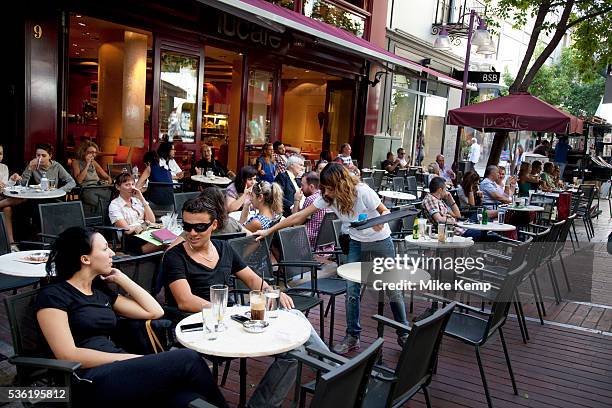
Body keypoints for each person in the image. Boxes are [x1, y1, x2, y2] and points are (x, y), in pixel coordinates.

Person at [163, 197, 329, 408]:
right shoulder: (175, 257)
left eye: (199, 227)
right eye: (187, 226)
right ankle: (335, 369)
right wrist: (230, 312)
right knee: (294, 337)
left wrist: (271, 291)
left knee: (295, 345)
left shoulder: (223, 248)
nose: (192, 233)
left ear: (213, 225)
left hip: (230, 319)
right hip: (200, 326)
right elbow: (185, 301)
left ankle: (264, 403)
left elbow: (251, 279)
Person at [36, 227, 227, 408]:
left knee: (187, 398)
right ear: (85, 259)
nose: (111, 253)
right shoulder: (54, 295)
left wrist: (121, 278)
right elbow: (67, 354)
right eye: (104, 249)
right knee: (188, 358)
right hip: (85, 380)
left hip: (118, 371)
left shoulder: (100, 293)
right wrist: (129, 359)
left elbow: (154, 311)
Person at [253, 163, 410, 354]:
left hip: (380, 241)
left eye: (330, 187)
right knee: (351, 289)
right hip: (355, 242)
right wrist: (269, 230)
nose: (327, 192)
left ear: (341, 183)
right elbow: (299, 216)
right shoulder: (327, 198)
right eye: (324, 188)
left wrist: (380, 221)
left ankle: (404, 333)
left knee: (391, 287)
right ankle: (353, 335)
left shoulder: (362, 191)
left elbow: (384, 211)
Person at [423, 177, 492, 241]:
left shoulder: (439, 200)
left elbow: (458, 215)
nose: (447, 191)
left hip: (459, 228)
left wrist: (451, 200)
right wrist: (452, 221)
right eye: (445, 189)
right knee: (488, 235)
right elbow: (439, 219)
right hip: (454, 231)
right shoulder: (430, 199)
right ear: (440, 190)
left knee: (485, 221)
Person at [109, 172, 158, 254]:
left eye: (132, 184)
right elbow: (127, 230)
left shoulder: (137, 200)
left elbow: (152, 220)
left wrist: (142, 198)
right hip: (130, 237)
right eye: (127, 185)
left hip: (145, 231)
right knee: (164, 242)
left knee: (168, 238)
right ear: (118, 187)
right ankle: (136, 253)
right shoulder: (114, 205)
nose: (131, 187)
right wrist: (144, 225)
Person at [10, 143, 76, 192]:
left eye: (43, 156)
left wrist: (59, 191)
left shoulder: (56, 166)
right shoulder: (33, 164)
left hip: (52, 196)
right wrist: (29, 168)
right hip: (36, 196)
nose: (40, 158)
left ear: (50, 156)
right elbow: (21, 184)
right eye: (38, 155)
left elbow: (72, 182)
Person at [292, 171, 332, 249]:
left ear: (311, 187)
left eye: (302, 185)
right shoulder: (325, 196)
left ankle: (288, 260)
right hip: (325, 243)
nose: (301, 189)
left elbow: (295, 224)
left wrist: (296, 200)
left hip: (308, 242)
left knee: (278, 237)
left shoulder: (311, 199)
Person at [0, 144, 18, 247]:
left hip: (1, 197)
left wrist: (12, 180)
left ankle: (11, 244)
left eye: (0, 153)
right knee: (8, 206)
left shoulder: (4, 167)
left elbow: (4, 188)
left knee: (8, 208)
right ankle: (11, 244)